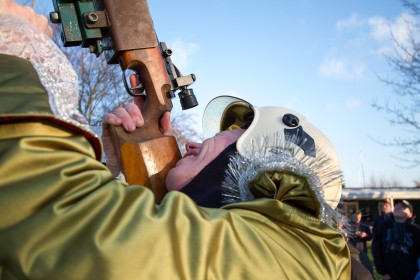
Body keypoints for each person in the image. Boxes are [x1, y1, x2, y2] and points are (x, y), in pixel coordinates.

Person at [0, 2, 351, 279]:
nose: (194, 144)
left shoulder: (289, 251)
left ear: (253, 164)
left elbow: (72, 234)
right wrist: (113, 175)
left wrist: (22, 53)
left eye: (223, 138)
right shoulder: (287, 247)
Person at [372, 199, 420, 280]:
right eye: (397, 205)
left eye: (403, 207)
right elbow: (376, 250)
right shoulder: (382, 227)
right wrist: (383, 272)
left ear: (410, 214)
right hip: (389, 276)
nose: (398, 207)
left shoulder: (416, 231)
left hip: (412, 276)